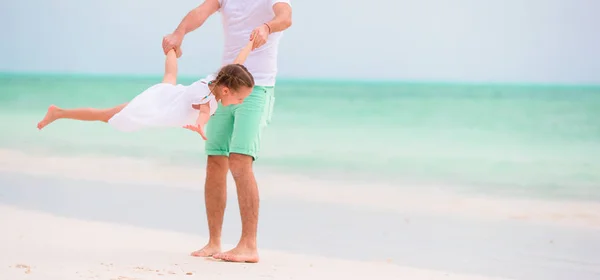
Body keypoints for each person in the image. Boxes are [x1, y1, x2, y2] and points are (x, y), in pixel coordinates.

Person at [162, 0, 292, 263]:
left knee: (240, 160)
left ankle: (248, 245)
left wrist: (267, 27)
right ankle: (214, 242)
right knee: (215, 158)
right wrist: (179, 33)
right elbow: (201, 12)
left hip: (258, 88)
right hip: (225, 87)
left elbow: (286, 17)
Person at [36, 41, 255, 137]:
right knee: (105, 115)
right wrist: (200, 127)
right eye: (240, 99)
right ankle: (59, 113)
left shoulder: (217, 79)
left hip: (169, 96)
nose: (241, 102)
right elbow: (204, 113)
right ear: (226, 91)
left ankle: (171, 48)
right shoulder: (208, 98)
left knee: (169, 77)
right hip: (157, 106)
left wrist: (250, 46)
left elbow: (237, 64)